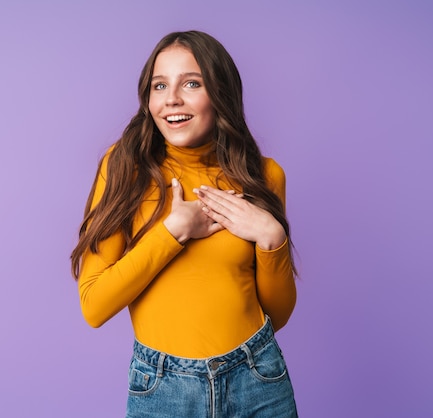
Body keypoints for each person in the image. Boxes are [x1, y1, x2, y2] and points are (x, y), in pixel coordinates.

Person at [71, 30, 298, 418]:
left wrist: (271, 237)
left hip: (258, 378)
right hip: (164, 388)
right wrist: (172, 233)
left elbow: (275, 315)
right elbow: (94, 305)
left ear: (220, 94)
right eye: (160, 85)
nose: (172, 98)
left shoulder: (263, 175)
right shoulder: (125, 168)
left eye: (191, 83)